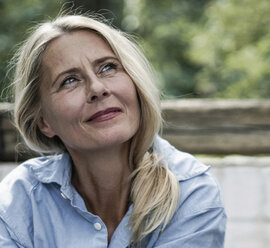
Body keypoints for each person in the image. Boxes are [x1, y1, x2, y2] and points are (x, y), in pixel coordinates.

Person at [0, 14, 226, 247]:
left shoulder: (192, 192)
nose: (97, 88)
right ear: (43, 121)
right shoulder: (20, 199)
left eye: (108, 67)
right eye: (69, 80)